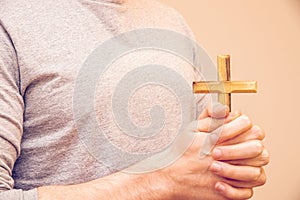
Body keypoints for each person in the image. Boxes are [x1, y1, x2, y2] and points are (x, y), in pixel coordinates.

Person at [0, 0, 269, 199]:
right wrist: (159, 181)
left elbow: (196, 168)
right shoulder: (9, 21)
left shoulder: (170, 20)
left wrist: (227, 164)